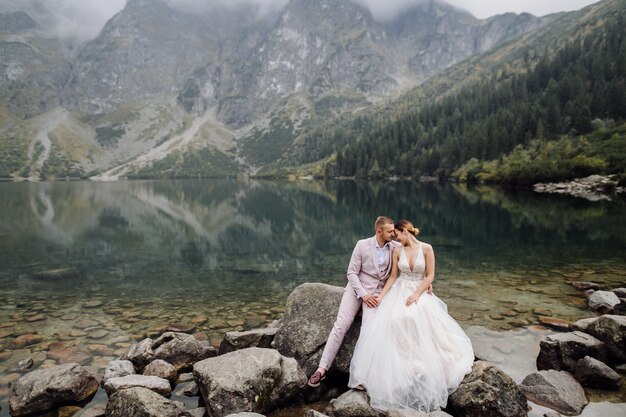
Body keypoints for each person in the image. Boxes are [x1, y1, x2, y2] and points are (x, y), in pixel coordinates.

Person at [348, 220, 474, 412]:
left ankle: (423, 362)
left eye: (397, 234)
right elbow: (392, 276)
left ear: (405, 231)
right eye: (393, 235)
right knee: (397, 318)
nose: (395, 238)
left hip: (419, 291)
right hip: (400, 290)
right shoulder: (398, 250)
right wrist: (381, 297)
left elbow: (430, 276)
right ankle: (405, 363)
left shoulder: (427, 248)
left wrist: (417, 294)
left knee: (418, 316)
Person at [307, 216, 400, 387]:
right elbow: (351, 273)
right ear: (379, 231)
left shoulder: (396, 247)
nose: (393, 234)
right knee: (341, 325)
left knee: (369, 331)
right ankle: (322, 369)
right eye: (390, 231)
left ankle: (363, 377)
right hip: (356, 290)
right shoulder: (362, 245)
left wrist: (426, 284)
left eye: (393, 230)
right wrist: (363, 294)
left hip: (378, 295)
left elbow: (415, 259)